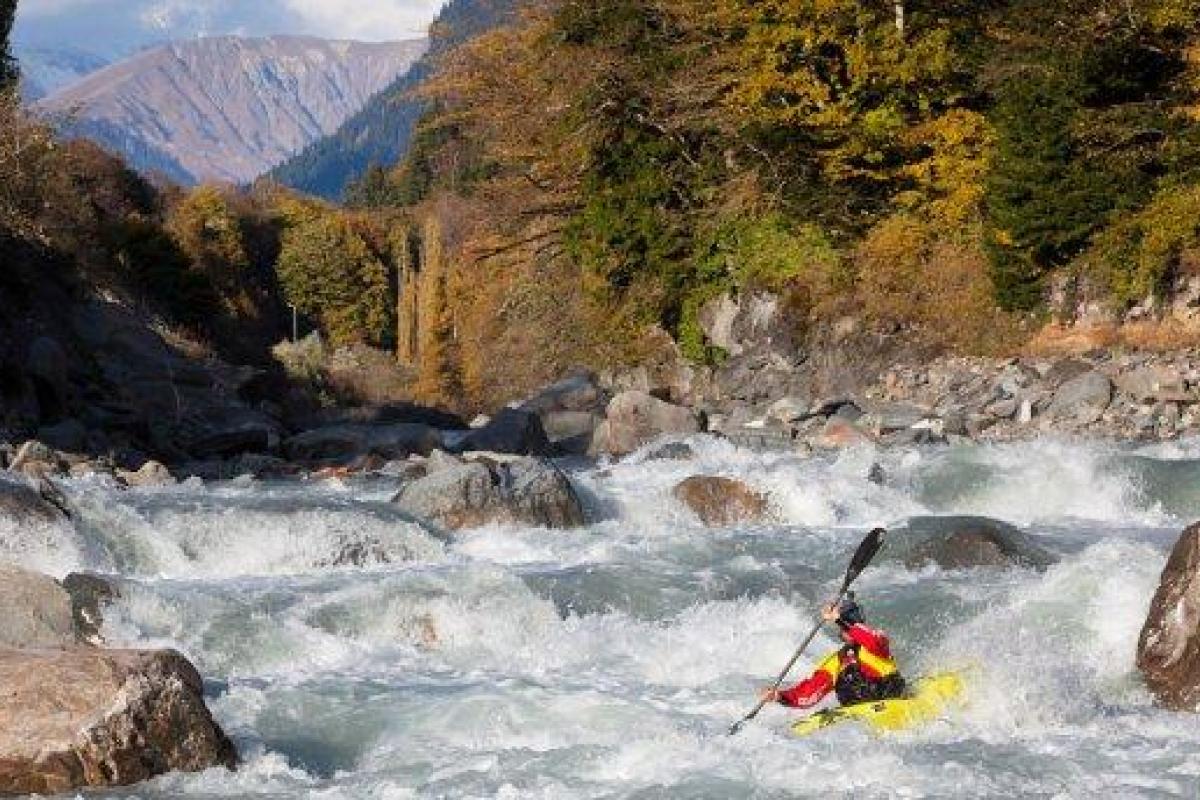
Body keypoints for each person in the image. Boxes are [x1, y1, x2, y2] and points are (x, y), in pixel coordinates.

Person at [760, 593, 905, 709]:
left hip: (890, 700)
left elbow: (870, 640)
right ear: (840, 632)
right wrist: (779, 696)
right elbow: (807, 693)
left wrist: (840, 620)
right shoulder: (837, 661)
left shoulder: (877, 640)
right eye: (845, 627)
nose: (848, 630)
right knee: (845, 675)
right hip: (859, 709)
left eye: (853, 624)